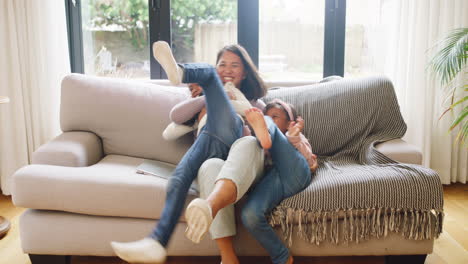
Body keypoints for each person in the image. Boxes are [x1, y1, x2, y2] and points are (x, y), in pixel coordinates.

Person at [110, 41, 268, 264]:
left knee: (210, 78)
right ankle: (157, 242)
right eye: (222, 64)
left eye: (235, 65)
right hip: (210, 147)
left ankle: (180, 72)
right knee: (179, 177)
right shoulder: (202, 98)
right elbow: (176, 117)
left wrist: (231, 103)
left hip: (237, 151)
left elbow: (263, 133)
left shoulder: (255, 102)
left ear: (245, 73)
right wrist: (208, 97)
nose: (228, 70)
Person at [186, 99, 318, 264]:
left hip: (294, 172)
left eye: (276, 116)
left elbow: (309, 161)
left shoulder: (294, 136)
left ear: (289, 123)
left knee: (266, 125)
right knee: (250, 215)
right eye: (270, 116)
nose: (271, 118)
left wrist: (293, 135)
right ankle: (282, 257)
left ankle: (265, 131)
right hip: (275, 180)